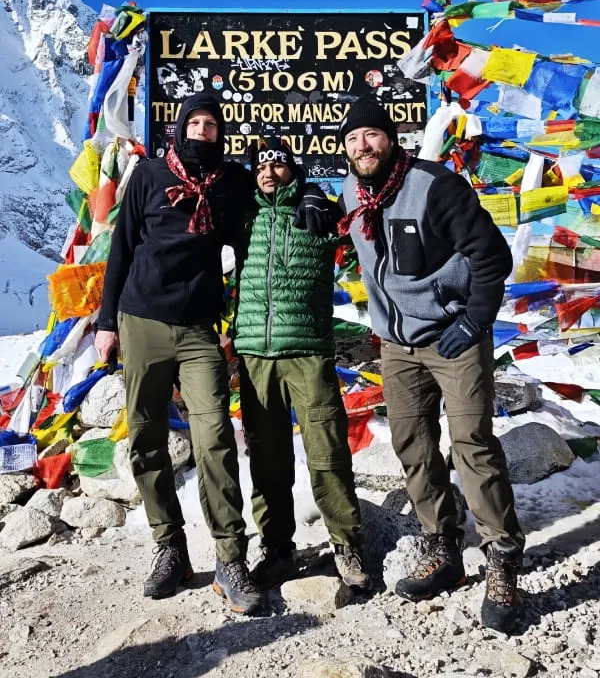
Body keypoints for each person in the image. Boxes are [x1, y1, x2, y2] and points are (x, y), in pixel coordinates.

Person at [94, 93, 332, 613]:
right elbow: (122, 247)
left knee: (215, 437)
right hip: (142, 321)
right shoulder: (151, 176)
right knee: (146, 437)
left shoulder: (231, 183)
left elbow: (278, 189)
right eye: (194, 123)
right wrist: (106, 321)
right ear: (181, 128)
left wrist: (313, 193)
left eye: (211, 124)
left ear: (220, 134)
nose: (202, 131)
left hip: (200, 328)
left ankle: (229, 557)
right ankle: (170, 547)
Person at [337, 97, 525, 633]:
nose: (362, 146)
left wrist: (473, 320)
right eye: (352, 140)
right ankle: (443, 548)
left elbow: (492, 256)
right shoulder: (352, 192)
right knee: (412, 445)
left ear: (390, 138)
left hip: (455, 336)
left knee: (472, 444)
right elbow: (325, 213)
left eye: (370, 135)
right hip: (396, 345)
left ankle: (503, 559)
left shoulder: (433, 184)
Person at [232, 137, 371, 591]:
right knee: (267, 460)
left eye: (278, 165)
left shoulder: (319, 213)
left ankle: (346, 545)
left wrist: (317, 195)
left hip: (308, 351)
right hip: (255, 355)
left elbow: (361, 201)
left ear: (295, 169)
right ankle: (277, 549)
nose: (269, 173)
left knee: (327, 452)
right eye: (261, 167)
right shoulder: (243, 218)